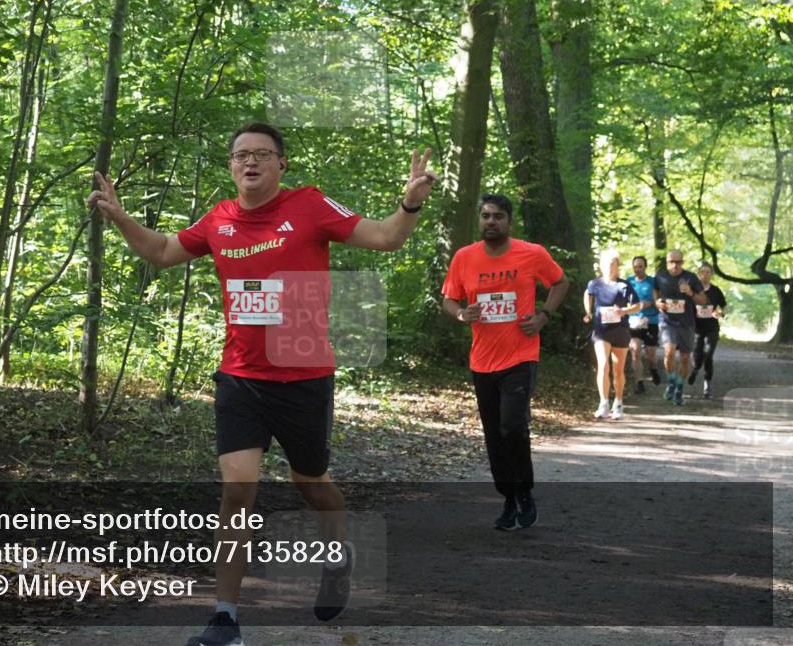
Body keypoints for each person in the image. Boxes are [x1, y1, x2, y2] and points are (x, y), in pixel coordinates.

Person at [87, 122, 436, 646]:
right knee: (237, 491)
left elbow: (385, 239)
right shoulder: (219, 220)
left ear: (281, 164)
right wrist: (119, 217)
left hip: (303, 375)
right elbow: (161, 252)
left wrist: (408, 205)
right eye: (240, 155)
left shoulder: (311, 206)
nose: (249, 162)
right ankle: (225, 618)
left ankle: (339, 551)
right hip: (241, 377)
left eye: (261, 154)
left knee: (310, 483)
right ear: (231, 167)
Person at [441, 194, 569, 531]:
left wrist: (543, 316)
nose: (490, 222)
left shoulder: (531, 254)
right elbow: (449, 300)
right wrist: (460, 314)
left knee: (512, 425)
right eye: (485, 216)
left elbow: (560, 281)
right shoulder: (464, 258)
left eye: (498, 216)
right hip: (482, 361)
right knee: (494, 435)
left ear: (509, 222)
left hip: (520, 356)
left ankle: (524, 492)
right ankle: (508, 497)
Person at [583, 249, 641, 420]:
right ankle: (603, 403)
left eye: (613, 264)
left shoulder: (623, 285)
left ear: (617, 266)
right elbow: (588, 294)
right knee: (602, 365)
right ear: (601, 266)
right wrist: (588, 312)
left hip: (620, 331)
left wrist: (624, 310)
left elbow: (637, 306)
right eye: (606, 264)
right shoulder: (595, 284)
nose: (609, 267)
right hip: (601, 331)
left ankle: (619, 402)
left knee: (618, 370)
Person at [653, 249, 707, 406]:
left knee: (684, 358)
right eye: (671, 261)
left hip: (687, 323)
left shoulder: (690, 277)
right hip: (667, 321)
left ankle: (679, 389)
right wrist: (657, 302)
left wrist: (690, 293)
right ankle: (671, 382)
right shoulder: (660, 276)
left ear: (682, 262)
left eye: (678, 262)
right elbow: (655, 290)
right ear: (667, 262)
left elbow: (703, 300)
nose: (675, 265)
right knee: (669, 352)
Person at [688, 263, 726, 399]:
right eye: (702, 272)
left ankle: (707, 386)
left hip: (712, 328)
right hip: (697, 328)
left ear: (711, 274)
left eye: (708, 272)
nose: (705, 275)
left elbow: (724, 306)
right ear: (699, 274)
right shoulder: (693, 291)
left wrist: (720, 313)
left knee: (708, 355)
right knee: (698, 356)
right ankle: (695, 369)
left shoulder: (716, 290)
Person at [626, 255, 661, 394]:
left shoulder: (652, 282)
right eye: (635, 267)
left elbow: (658, 302)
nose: (638, 269)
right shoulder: (629, 282)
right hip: (634, 321)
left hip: (651, 320)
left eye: (640, 266)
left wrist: (650, 304)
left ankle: (653, 369)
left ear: (645, 267)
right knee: (635, 351)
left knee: (650, 354)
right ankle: (639, 382)